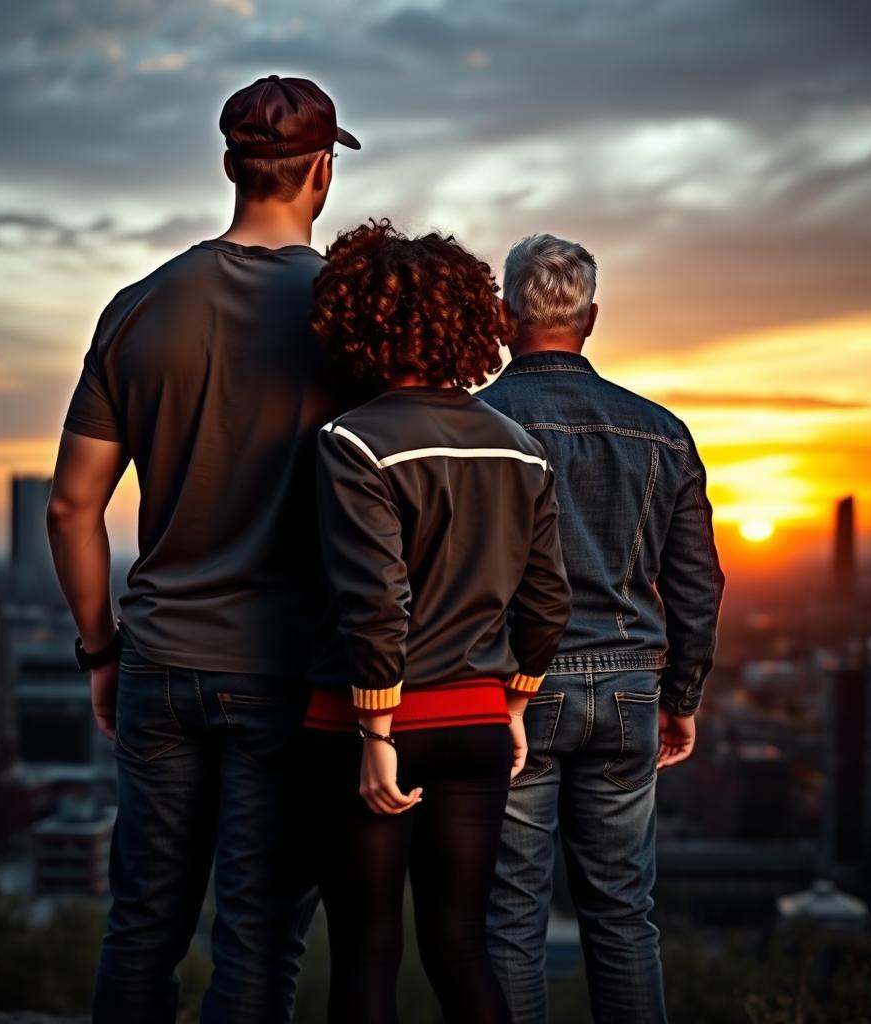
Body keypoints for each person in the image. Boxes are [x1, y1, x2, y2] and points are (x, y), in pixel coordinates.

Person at [46, 75, 361, 1024]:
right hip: (290, 676)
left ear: (229, 166)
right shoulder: (349, 323)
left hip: (161, 664)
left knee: (142, 926)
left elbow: (71, 507)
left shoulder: (138, 307)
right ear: (319, 174)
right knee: (260, 942)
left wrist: (103, 652)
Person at [300, 219, 572, 1024]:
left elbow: (376, 600)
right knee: (463, 948)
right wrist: (515, 704)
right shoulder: (521, 448)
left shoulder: (351, 441)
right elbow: (549, 598)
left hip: (369, 731)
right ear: (469, 323)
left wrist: (377, 735)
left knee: (367, 954)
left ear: (359, 325)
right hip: (480, 723)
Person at [482, 234, 725, 1024]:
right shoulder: (663, 432)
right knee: (623, 915)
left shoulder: (475, 426)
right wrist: (681, 695)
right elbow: (696, 584)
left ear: (503, 314)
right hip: (627, 692)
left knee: (511, 918)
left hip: (512, 691)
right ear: (591, 318)